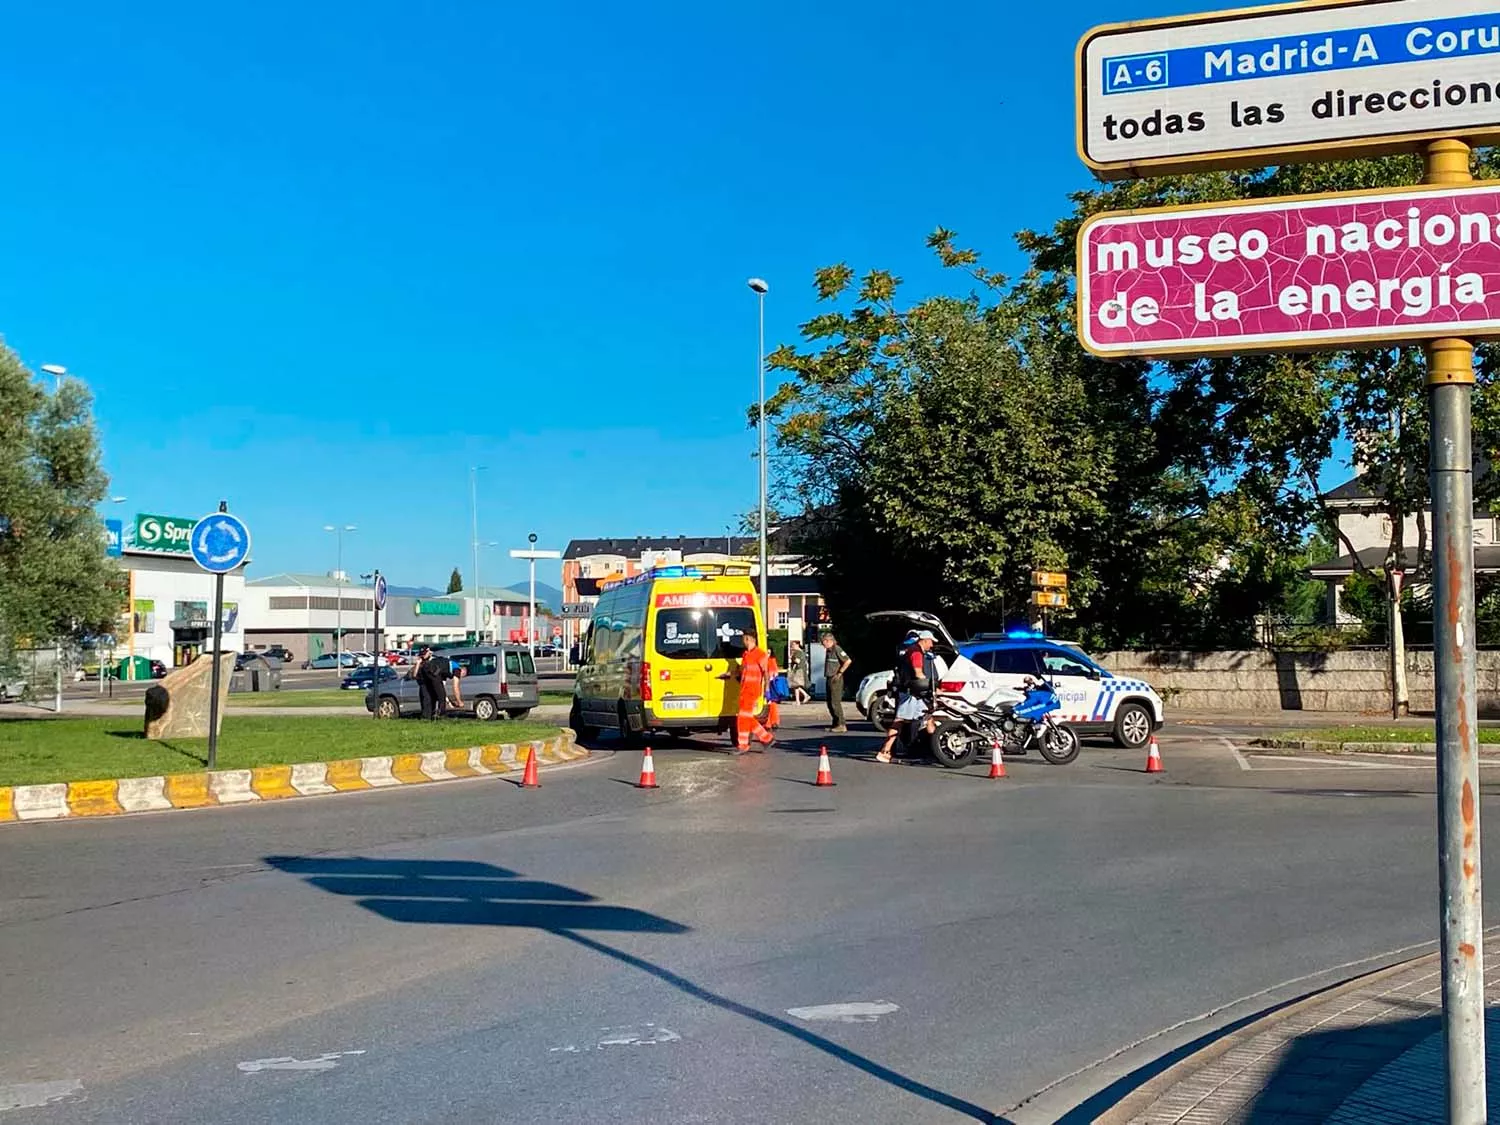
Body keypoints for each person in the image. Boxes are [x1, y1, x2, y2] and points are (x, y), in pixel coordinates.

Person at [876, 629, 938, 764]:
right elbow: (918, 673)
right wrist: (929, 685)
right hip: (911, 694)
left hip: (916, 694)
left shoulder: (914, 651)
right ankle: (884, 751)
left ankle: (937, 751)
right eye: (931, 642)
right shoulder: (916, 652)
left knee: (928, 718)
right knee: (899, 721)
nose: (932, 645)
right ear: (925, 640)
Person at [731, 630, 775, 753]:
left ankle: (744, 745)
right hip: (745, 689)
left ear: (748, 639)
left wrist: (766, 689)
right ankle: (766, 738)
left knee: (742, 718)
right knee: (745, 717)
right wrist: (729, 674)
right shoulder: (746, 655)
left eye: (743, 639)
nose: (742, 642)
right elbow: (742, 671)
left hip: (752, 690)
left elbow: (766, 672)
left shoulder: (760, 654)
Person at [820, 632, 851, 733]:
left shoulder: (837, 649)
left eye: (823, 642)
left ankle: (841, 724)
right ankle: (835, 723)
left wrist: (839, 673)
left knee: (835, 702)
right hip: (829, 677)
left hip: (835, 678)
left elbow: (848, 661)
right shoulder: (829, 651)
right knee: (829, 702)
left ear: (829, 641)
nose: (823, 644)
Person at [416, 647, 449, 720]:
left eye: (425, 653)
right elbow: (415, 675)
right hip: (425, 684)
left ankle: (439, 715)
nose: (423, 656)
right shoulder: (422, 663)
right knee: (427, 700)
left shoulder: (436, 660)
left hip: (435, 682)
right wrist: (418, 663)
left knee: (439, 698)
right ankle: (427, 716)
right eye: (422, 654)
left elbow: (439, 671)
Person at [787, 640, 811, 705]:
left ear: (797, 645)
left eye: (793, 645)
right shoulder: (802, 652)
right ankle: (798, 701)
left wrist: (792, 657)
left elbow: (797, 661)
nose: (792, 646)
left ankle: (805, 696)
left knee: (795, 685)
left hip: (798, 670)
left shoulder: (797, 652)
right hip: (801, 669)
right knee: (796, 686)